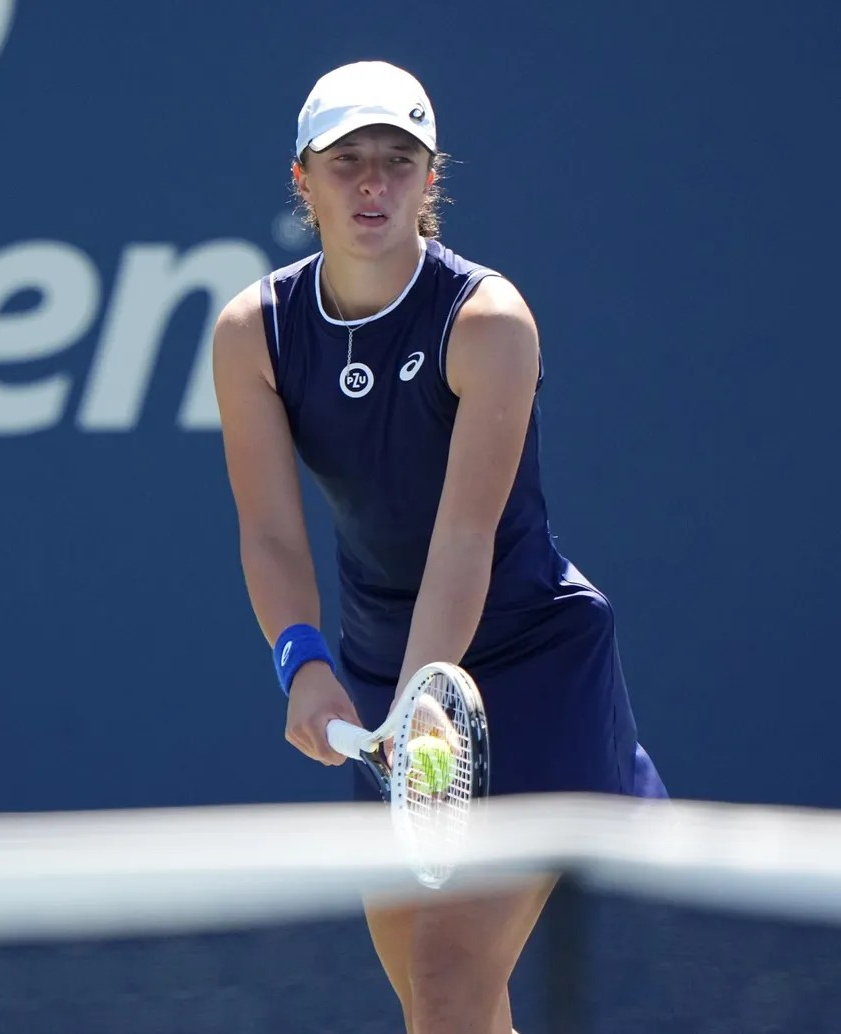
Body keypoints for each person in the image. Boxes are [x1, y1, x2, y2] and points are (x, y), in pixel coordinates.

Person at [211, 60, 668, 1034]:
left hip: (530, 672)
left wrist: (429, 698)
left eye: (398, 160)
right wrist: (302, 660)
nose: (372, 183)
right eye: (347, 162)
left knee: (451, 978)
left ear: (431, 179)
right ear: (303, 180)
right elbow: (269, 530)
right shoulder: (252, 333)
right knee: (437, 998)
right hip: (388, 674)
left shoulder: (488, 320)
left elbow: (465, 536)